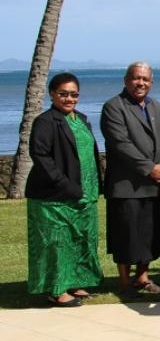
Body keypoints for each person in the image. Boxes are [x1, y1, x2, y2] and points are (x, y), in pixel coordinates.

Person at [26, 73, 103, 307]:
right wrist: (66, 185)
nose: (69, 99)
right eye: (64, 94)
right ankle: (57, 290)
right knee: (57, 244)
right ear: (52, 94)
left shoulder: (81, 119)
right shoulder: (45, 121)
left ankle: (77, 282)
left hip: (85, 195)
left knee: (81, 241)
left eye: (74, 94)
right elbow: (41, 156)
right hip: (54, 198)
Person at [101, 61, 160, 297]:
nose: (140, 83)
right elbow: (120, 144)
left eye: (145, 79)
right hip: (126, 184)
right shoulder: (113, 107)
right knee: (126, 235)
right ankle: (124, 282)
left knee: (150, 234)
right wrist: (149, 167)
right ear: (126, 80)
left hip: (153, 185)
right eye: (136, 78)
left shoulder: (157, 107)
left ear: (151, 82)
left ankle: (143, 277)